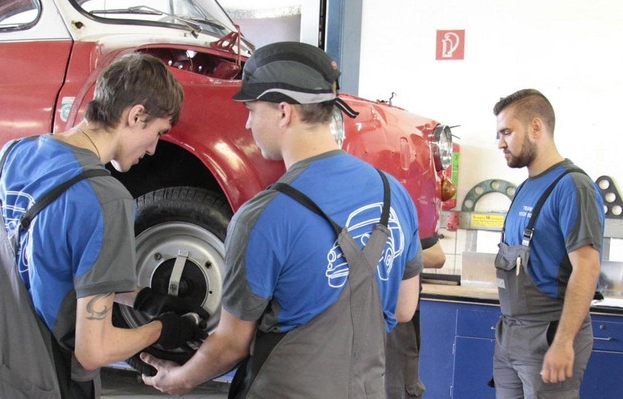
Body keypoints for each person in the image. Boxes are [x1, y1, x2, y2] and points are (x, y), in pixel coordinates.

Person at [140, 41, 423, 398]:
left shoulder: (265, 215)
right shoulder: (392, 193)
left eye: (253, 110)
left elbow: (230, 344)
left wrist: (180, 379)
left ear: (285, 112)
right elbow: (402, 306)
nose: (248, 122)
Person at [0, 53, 205, 399]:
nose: (153, 149)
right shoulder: (105, 198)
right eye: (157, 133)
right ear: (136, 115)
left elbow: (44, 262)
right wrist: (162, 329)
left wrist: (143, 298)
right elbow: (95, 350)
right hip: (49, 380)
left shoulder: (12, 155)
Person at [491, 89, 604, 399]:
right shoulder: (525, 188)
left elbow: (587, 266)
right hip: (510, 336)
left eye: (507, 132)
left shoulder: (573, 187)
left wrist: (564, 342)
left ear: (536, 128)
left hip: (549, 336)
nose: (500, 142)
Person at [385, 239, 445, 398]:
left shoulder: (406, 217)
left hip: (398, 322)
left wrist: (394, 254)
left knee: (398, 387)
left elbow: (437, 257)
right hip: (364, 317)